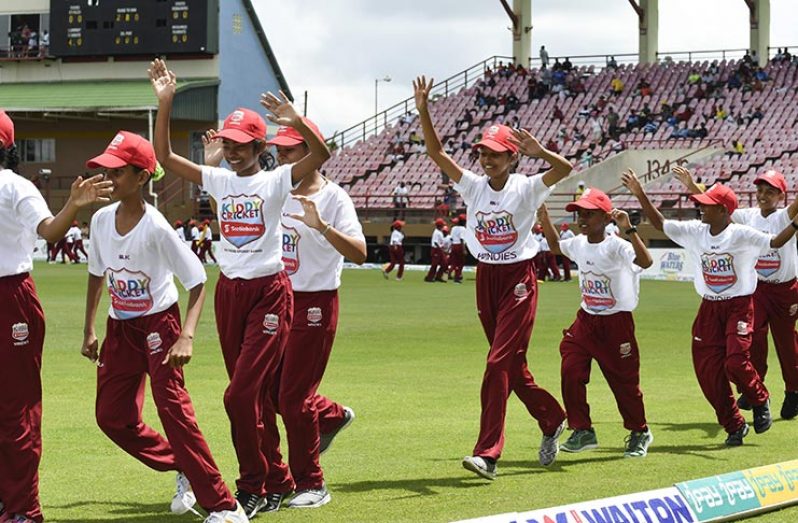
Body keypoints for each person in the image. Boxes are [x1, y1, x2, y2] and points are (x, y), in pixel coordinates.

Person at [149, 58, 330, 517]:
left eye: (242, 144)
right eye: (228, 143)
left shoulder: (274, 181)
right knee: (251, 397)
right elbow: (165, 159)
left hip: (270, 292)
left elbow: (321, 155)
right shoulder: (220, 179)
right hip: (230, 292)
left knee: (238, 396)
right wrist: (166, 103)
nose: (232, 151)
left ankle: (251, 485)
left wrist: (297, 122)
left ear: (258, 145)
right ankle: (277, 482)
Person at [80, 131, 248, 523]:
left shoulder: (156, 227)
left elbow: (198, 281)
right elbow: (95, 275)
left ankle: (224, 506)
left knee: (174, 411)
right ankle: (184, 464)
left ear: (141, 177)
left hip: (160, 325)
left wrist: (186, 335)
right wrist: (90, 328)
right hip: (119, 327)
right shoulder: (102, 220)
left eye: (117, 172)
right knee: (111, 417)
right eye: (104, 171)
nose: (108, 178)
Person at [413, 75, 572, 480]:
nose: (487, 160)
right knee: (512, 368)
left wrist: (541, 151)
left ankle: (488, 453)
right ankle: (552, 418)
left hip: (519, 278)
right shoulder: (473, 187)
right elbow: (435, 152)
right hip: (487, 277)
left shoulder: (527, 188)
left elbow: (566, 168)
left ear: (512, 158)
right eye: (483, 153)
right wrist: (424, 110)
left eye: (496, 155)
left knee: (497, 362)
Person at [622, 170, 798, 445]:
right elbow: (660, 223)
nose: (700, 207)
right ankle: (734, 426)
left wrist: (796, 225)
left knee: (737, 360)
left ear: (722, 210)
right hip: (709, 308)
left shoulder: (742, 233)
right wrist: (640, 194)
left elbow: (774, 242)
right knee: (707, 370)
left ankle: (759, 396)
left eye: (706, 204)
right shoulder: (695, 231)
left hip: (739, 306)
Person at [0, 110, 111, 523]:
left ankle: (23, 509)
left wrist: (72, 205)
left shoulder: (16, 187)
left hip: (10, 296)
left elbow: (48, 231)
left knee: (17, 409)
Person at [255, 119, 366, 509]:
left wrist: (322, 228)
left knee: (293, 395)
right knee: (270, 392)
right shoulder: (277, 190)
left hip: (316, 301)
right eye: (279, 150)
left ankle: (312, 484)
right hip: (277, 300)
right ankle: (332, 415)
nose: (280, 156)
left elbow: (360, 253)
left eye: (288, 150)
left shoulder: (335, 198)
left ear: (309, 153)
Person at [674, 166, 798, 420]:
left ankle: (793, 391)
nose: (764, 195)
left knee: (786, 342)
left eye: (771, 191)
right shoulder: (748, 216)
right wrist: (691, 185)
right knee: (751, 340)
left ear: (781, 196)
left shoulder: (785, 216)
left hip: (786, 289)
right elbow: (718, 206)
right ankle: (754, 387)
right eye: (760, 190)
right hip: (758, 288)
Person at [539, 191, 654, 457]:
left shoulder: (616, 245)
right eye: (580, 213)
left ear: (605, 217)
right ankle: (582, 430)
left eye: (589, 214)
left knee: (624, 383)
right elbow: (557, 247)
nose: (582, 219)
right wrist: (545, 218)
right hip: (586, 320)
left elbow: (646, 262)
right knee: (570, 368)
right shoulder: (579, 243)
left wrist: (629, 230)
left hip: (616, 323)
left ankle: (640, 431)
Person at [425, 218, 447, 282]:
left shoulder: (439, 232)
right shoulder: (436, 233)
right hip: (436, 249)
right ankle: (429, 277)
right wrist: (440, 249)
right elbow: (435, 242)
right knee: (434, 264)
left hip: (439, 249)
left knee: (444, 263)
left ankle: (438, 276)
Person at [449, 214, 467, 283]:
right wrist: (464, 249)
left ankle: (451, 274)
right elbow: (462, 239)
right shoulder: (463, 229)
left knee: (454, 262)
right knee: (460, 263)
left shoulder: (453, 228)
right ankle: (457, 277)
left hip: (453, 245)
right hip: (459, 246)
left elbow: (451, 238)